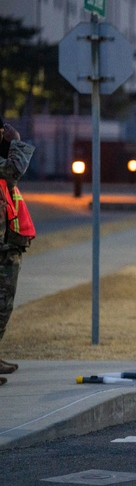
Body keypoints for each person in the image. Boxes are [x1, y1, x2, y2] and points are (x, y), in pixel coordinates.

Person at [0, 123, 34, 388]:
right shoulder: (6, 158)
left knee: (4, 305)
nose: (4, 134)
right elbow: (13, 171)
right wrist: (17, 141)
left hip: (7, 244)